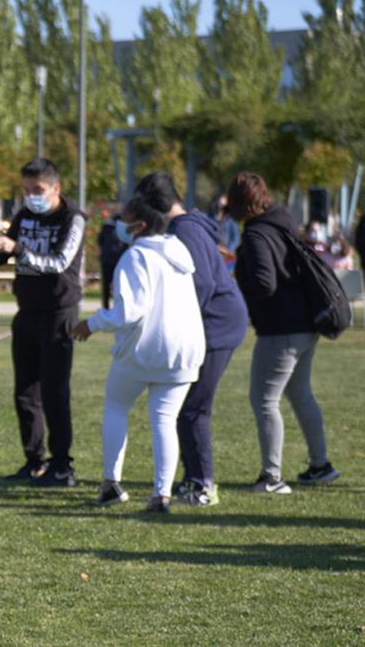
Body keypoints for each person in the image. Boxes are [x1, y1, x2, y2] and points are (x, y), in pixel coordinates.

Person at [71, 194, 204, 513]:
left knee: (116, 407)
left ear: (140, 225)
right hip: (184, 350)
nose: (119, 223)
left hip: (144, 350)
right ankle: (161, 494)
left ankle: (111, 484)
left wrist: (92, 323)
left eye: (124, 217)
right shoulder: (179, 252)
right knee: (164, 420)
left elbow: (128, 312)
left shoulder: (135, 256)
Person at [134, 172, 248, 506]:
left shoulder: (185, 231)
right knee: (185, 406)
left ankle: (202, 486)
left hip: (216, 325)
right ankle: (192, 479)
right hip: (212, 323)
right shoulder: (187, 226)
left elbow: (201, 284)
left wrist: (175, 318)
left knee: (192, 407)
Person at [228, 171, 340, 493]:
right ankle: (320, 465)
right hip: (305, 325)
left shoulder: (256, 235)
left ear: (240, 204)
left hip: (281, 330)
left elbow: (264, 282)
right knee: (300, 394)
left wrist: (240, 283)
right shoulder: (283, 224)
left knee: (264, 399)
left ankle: (272, 477)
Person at [0, 157, 85, 486]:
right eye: (26, 190)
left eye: (37, 190)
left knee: (55, 392)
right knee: (25, 392)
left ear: (56, 187)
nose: (31, 196)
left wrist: (18, 247)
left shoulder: (73, 217)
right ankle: (34, 460)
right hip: (26, 311)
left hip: (59, 313)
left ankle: (62, 464)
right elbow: (4, 255)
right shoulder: (24, 214)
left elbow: (59, 262)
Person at [97, 212, 127, 309]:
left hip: (113, 260)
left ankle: (115, 306)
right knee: (109, 285)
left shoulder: (108, 228)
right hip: (111, 260)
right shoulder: (108, 228)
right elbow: (100, 241)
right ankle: (107, 306)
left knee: (116, 285)